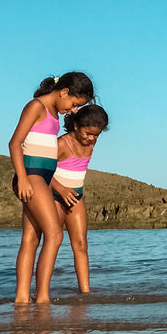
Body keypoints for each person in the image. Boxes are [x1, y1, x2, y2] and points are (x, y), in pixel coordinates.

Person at [9, 73, 94, 304]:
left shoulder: (55, 115)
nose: (74, 110)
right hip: (32, 177)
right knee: (55, 234)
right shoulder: (36, 106)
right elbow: (15, 143)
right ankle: (43, 298)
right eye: (74, 104)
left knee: (31, 238)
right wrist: (23, 178)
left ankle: (22, 299)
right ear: (64, 92)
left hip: (42, 179)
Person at [50, 104, 108, 293]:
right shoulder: (61, 144)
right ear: (76, 126)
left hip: (76, 198)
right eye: (88, 133)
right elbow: (42, 171)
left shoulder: (91, 142)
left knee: (81, 244)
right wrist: (61, 189)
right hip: (55, 196)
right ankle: (43, 290)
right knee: (53, 242)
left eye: (96, 135)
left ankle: (85, 292)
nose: (92, 139)